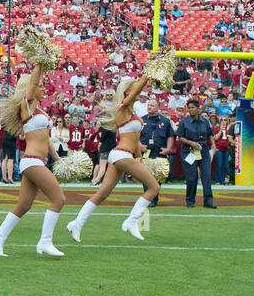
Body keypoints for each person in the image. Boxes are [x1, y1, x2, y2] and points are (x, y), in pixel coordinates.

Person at [66, 74, 161, 243]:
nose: (139, 91)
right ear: (127, 92)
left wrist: (141, 160)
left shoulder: (132, 111)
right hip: (121, 154)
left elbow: (136, 141)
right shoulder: (122, 108)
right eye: (134, 89)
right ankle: (131, 222)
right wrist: (146, 76)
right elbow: (134, 93)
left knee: (103, 193)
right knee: (153, 188)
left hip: (122, 155)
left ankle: (76, 223)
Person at [0, 61, 66, 258]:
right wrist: (39, 60)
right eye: (38, 85)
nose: (41, 87)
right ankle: (45, 242)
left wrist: (57, 159)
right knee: (59, 199)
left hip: (37, 161)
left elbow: (46, 138)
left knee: (24, 205)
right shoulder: (26, 105)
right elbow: (32, 84)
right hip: (31, 161)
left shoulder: (40, 111)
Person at [175, 97, 216, 208]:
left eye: (193, 108)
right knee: (191, 177)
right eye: (189, 108)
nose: (191, 110)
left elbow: (210, 134)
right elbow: (180, 137)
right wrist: (191, 143)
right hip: (189, 151)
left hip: (203, 151)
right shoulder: (184, 122)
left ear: (198, 109)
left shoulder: (205, 122)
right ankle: (190, 201)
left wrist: (213, 145)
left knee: (206, 176)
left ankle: (208, 201)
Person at [140, 98, 174, 203]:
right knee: (146, 176)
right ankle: (148, 199)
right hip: (146, 152)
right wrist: (139, 146)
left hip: (159, 152)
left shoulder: (165, 121)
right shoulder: (141, 120)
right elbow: (134, 135)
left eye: (152, 105)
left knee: (157, 177)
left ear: (158, 107)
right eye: (148, 105)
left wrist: (168, 149)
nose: (149, 107)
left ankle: (154, 197)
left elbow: (170, 136)